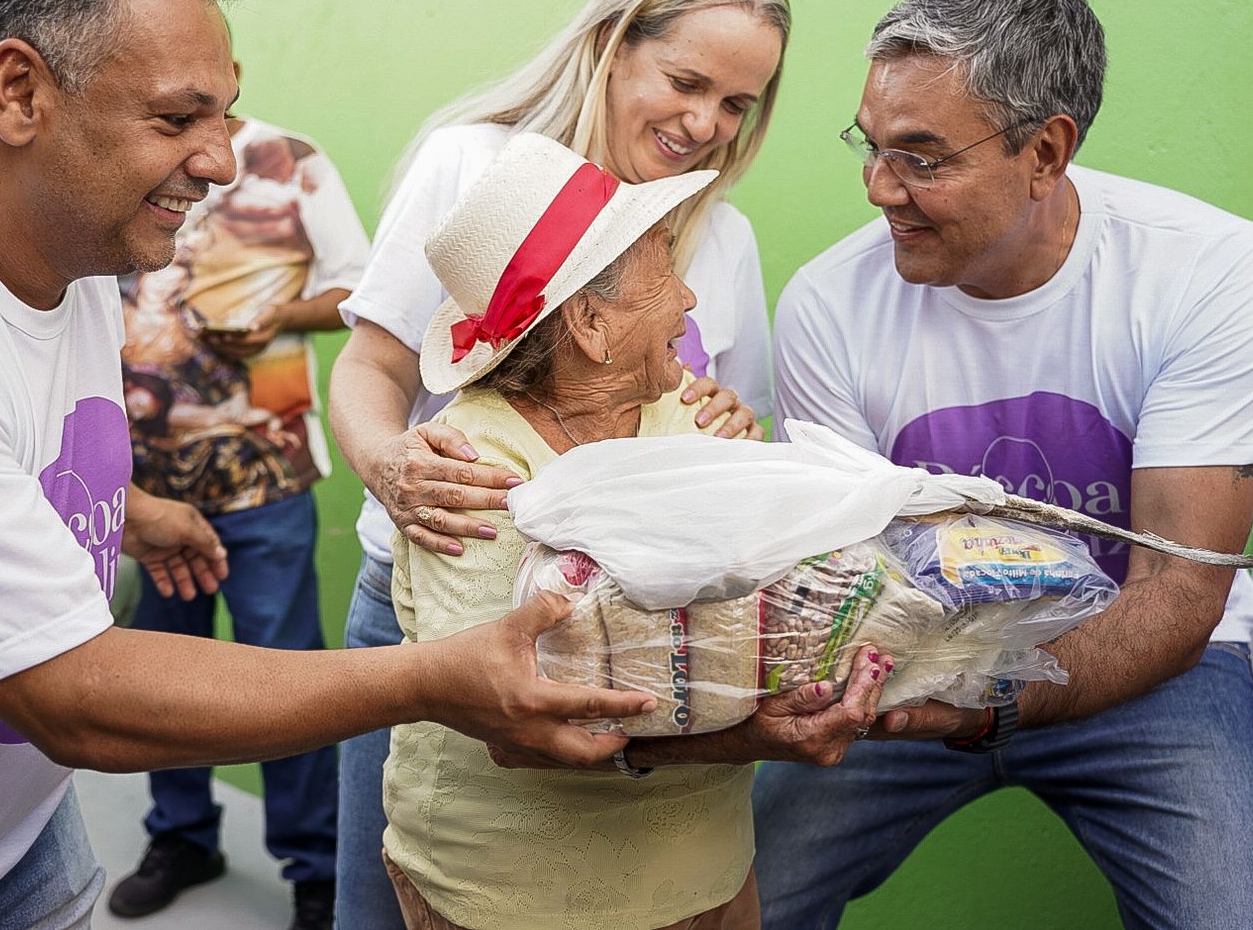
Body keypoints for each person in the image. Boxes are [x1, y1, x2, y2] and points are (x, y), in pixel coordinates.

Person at [0, 0, 661, 930]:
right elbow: (75, 698)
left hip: (9, 836)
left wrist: (129, 511)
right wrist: (432, 679)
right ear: (20, 93)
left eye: (225, 112)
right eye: (178, 119)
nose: (221, 160)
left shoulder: (62, 240)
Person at [755, 0, 1253, 929]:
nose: (880, 189)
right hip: (907, 666)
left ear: (1045, 152)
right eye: (869, 146)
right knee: (731, 900)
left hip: (1153, 665)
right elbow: (834, 573)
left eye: (923, 157)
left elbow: (1181, 588)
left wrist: (1002, 698)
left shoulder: (1209, 272)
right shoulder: (827, 304)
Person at [329, 0, 787, 928]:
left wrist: (729, 423)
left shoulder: (728, 237)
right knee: (397, 893)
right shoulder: (473, 167)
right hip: (437, 611)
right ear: (614, 44)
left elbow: (735, 451)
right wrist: (386, 459)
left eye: (735, 104)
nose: (705, 122)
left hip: (648, 639)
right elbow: (371, 365)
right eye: (685, 80)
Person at [381, 131, 890, 930]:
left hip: (710, 872)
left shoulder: (689, 410)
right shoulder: (469, 467)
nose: (689, 302)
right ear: (587, 321)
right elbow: (516, 723)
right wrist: (750, 736)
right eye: (666, 270)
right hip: (523, 897)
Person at [107, 109, 370, 926]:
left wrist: (282, 318)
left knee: (286, 676)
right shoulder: (123, 149)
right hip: (143, 485)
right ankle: (182, 835)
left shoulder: (291, 159)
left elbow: (362, 288)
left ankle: (316, 870)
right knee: (158, 673)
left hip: (267, 471)